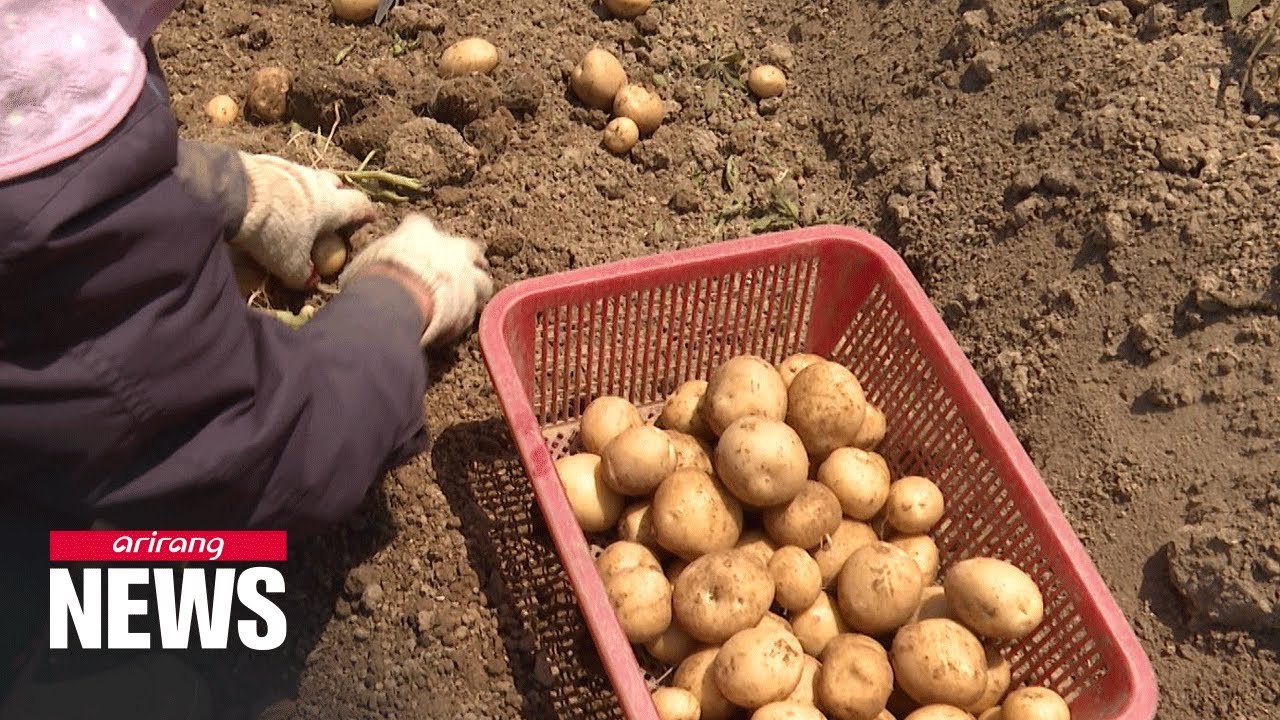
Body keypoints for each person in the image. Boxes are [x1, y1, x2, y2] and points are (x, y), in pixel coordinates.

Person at [0, 0, 495, 716]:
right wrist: (400, 298)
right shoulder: (48, 282)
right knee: (154, 632)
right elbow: (266, 451)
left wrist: (217, 188)